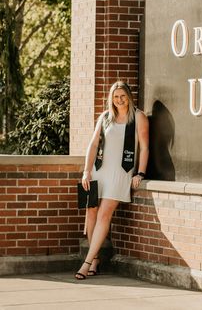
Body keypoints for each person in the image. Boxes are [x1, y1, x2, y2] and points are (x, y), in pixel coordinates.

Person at [75, 80, 149, 280]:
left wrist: (140, 173)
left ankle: (87, 262)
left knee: (104, 215)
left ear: (129, 96)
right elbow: (93, 144)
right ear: (111, 98)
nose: (119, 100)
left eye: (122, 96)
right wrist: (86, 171)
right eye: (115, 97)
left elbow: (144, 147)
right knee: (91, 213)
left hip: (120, 173)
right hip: (99, 170)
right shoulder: (105, 117)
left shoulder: (139, 117)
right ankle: (95, 258)